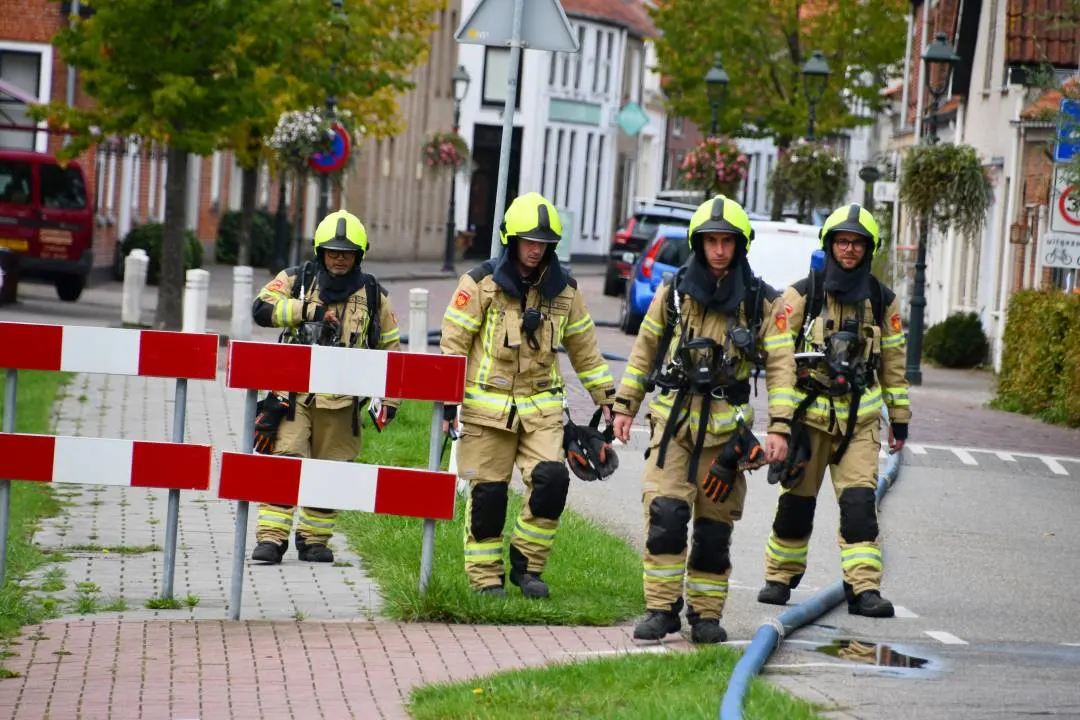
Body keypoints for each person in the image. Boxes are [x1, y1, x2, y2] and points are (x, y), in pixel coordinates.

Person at [611, 194, 797, 644]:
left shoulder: (761, 302)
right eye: (711, 241)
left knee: (714, 532)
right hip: (673, 427)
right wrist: (624, 405)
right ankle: (660, 609)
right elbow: (644, 350)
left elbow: (780, 365)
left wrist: (779, 427)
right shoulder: (673, 292)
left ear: (739, 245)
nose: (718, 250)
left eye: (726, 242)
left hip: (725, 442)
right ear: (698, 244)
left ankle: (706, 615)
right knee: (666, 515)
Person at [440, 192, 615, 599]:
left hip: (542, 412)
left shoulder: (566, 291)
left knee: (552, 480)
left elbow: (585, 349)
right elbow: (453, 344)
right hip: (485, 412)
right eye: (528, 241)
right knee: (489, 496)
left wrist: (607, 398)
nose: (536, 250)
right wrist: (448, 403)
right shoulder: (480, 283)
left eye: (543, 243)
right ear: (511, 240)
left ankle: (527, 566)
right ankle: (486, 579)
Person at [757, 203, 911, 618]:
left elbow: (894, 365)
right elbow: (777, 356)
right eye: (842, 241)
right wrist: (781, 422)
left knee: (860, 503)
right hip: (809, 420)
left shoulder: (882, 302)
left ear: (868, 249)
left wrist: (900, 418)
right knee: (796, 502)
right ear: (830, 244)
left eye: (857, 244)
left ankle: (864, 588)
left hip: (858, 421)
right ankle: (780, 576)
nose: (849, 250)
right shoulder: (802, 295)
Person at [247, 209, 402, 564]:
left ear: (359, 255)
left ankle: (314, 539)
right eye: (332, 251)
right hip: (293, 394)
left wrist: (390, 400)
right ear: (320, 252)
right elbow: (261, 308)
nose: (339, 258)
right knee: (285, 461)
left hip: (344, 403)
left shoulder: (375, 294)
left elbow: (392, 348)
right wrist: (308, 311)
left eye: (347, 252)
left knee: (333, 469)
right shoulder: (297, 279)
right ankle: (271, 538)